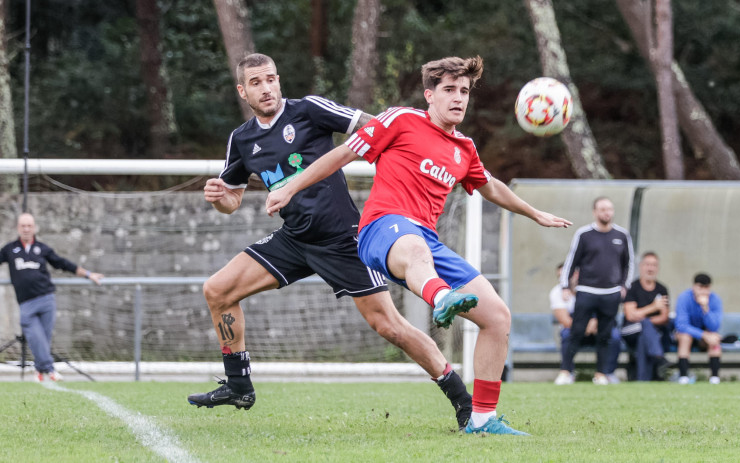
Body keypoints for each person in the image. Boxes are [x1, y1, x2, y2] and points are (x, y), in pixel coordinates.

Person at [266, 55, 572, 436]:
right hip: (381, 228)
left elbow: (490, 185)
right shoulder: (400, 119)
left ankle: (481, 420)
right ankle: (441, 297)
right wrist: (290, 186)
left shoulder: (465, 148)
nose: (458, 98)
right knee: (414, 248)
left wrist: (534, 213)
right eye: (449, 90)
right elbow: (343, 154)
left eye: (464, 91)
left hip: (427, 242)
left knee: (497, 317)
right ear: (429, 95)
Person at [187, 53, 473, 431]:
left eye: (271, 78)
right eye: (256, 83)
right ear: (243, 91)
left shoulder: (308, 110)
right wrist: (218, 196)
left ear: (279, 79)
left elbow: (377, 127)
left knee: (389, 326)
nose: (267, 88)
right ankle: (239, 384)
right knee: (218, 290)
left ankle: (461, 399)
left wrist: (416, 154)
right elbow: (232, 201)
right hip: (294, 238)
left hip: (342, 238)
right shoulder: (242, 140)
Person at [0, 213, 104, 381]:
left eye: (29, 226)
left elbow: (63, 263)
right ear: (18, 228)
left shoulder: (42, 248)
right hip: (26, 304)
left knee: (44, 339)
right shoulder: (10, 249)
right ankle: (50, 369)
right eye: (23, 226)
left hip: (46, 299)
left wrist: (88, 274)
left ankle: (39, 371)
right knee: (35, 337)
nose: (26, 229)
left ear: (34, 228)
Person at [560, 197, 633, 385]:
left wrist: (624, 286)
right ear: (595, 212)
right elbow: (571, 261)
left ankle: (601, 374)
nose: (606, 213)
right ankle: (566, 372)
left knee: (605, 336)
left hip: (611, 294)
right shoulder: (584, 234)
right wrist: (565, 286)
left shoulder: (622, 235)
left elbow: (629, 263)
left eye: (609, 209)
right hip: (586, 291)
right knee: (576, 332)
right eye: (602, 209)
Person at [552, 263, 621, 385]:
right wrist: (584, 326)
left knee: (613, 335)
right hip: (575, 330)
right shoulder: (557, 292)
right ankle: (567, 372)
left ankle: (607, 373)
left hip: (596, 329)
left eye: (567, 275)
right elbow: (565, 320)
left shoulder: (590, 288)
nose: (564, 280)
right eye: (560, 277)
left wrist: (595, 324)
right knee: (567, 335)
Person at [621, 251, 672, 381]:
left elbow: (664, 317)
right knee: (644, 325)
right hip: (630, 331)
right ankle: (659, 357)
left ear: (658, 268)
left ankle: (642, 379)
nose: (650, 268)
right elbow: (630, 315)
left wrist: (644, 318)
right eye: (648, 264)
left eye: (654, 265)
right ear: (641, 266)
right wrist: (653, 307)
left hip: (649, 334)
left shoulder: (662, 289)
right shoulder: (632, 287)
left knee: (644, 336)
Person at [674, 273, 723, 384]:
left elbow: (715, 326)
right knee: (685, 337)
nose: (703, 291)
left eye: (706, 288)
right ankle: (683, 377)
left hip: (705, 338)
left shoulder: (715, 299)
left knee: (714, 338)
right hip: (687, 334)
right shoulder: (684, 298)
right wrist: (703, 335)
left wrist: (705, 308)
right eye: (700, 287)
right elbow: (681, 325)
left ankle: (714, 378)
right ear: (694, 286)